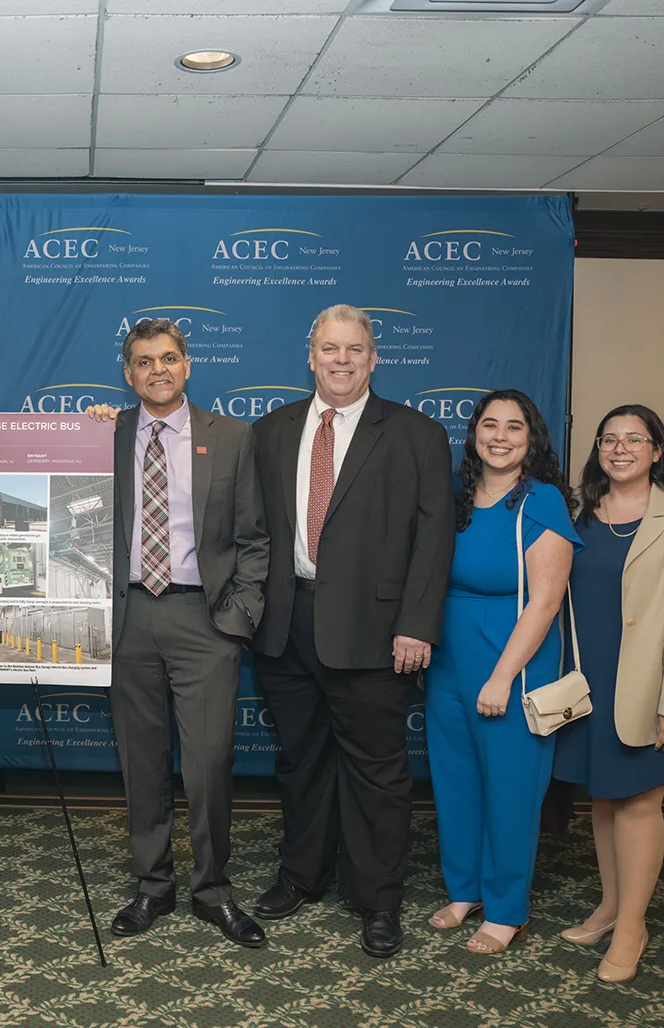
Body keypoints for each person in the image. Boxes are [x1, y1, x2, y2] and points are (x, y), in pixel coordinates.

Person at [250, 304, 455, 958]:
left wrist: (417, 624)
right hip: (286, 626)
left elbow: (434, 537)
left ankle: (378, 898)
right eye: (330, 349)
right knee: (301, 763)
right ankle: (302, 876)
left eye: (354, 349)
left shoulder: (415, 433)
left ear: (373, 357)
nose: (341, 360)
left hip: (376, 631)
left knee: (377, 773)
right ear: (310, 356)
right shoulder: (272, 430)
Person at [88, 318, 270, 949]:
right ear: (129, 373)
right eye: (143, 361)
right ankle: (152, 884)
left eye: (168, 358)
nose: (157, 370)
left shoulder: (234, 438)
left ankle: (213, 889)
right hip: (128, 615)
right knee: (141, 760)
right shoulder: (102, 434)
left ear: (187, 365)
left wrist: (238, 618)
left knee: (210, 761)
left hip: (205, 618)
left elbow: (254, 538)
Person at [553, 405, 664, 984]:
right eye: (609, 439)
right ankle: (610, 905)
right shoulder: (579, 515)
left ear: (657, 451)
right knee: (602, 799)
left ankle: (633, 926)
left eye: (634, 439)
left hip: (649, 689)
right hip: (586, 687)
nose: (620, 448)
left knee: (640, 803)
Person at [425, 390, 581, 955]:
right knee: (456, 781)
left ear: (531, 438)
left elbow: (545, 602)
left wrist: (501, 677)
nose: (499, 436)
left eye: (513, 427)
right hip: (449, 661)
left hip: (513, 665)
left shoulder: (541, 502)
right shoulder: (458, 498)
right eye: (489, 425)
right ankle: (464, 891)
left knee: (511, 792)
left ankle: (507, 908)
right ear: (474, 435)